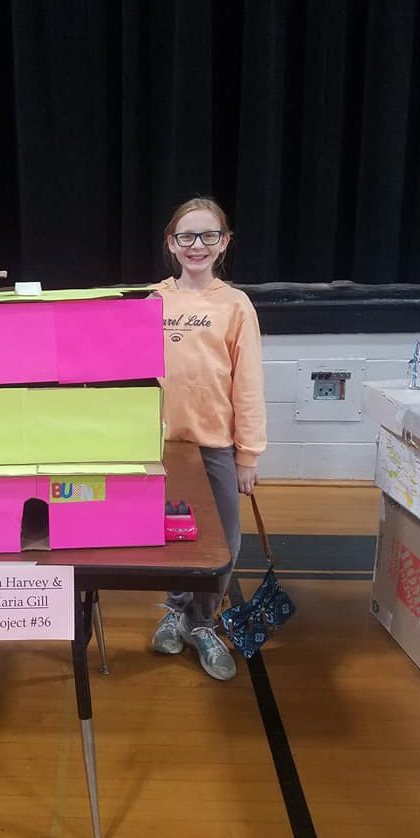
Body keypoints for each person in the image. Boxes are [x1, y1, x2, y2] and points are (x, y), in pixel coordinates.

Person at [152, 197, 266, 680]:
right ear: (171, 244)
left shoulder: (235, 305)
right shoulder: (153, 301)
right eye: (186, 237)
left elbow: (249, 383)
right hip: (164, 448)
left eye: (208, 236)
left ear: (224, 243)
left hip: (216, 447)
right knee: (173, 538)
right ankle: (175, 610)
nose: (196, 245)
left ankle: (202, 621)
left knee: (224, 543)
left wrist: (248, 454)